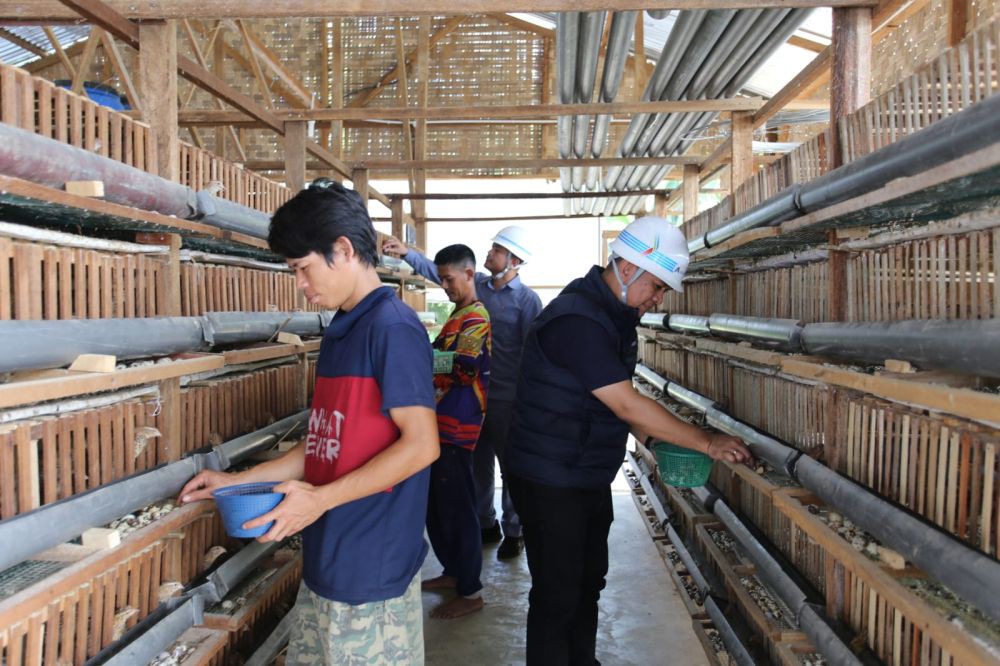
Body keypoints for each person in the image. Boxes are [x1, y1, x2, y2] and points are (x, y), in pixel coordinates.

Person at [178, 179, 439, 665]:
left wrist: (319, 500)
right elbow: (323, 445)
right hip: (328, 556)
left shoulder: (392, 329)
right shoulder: (343, 328)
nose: (300, 284)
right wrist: (236, 480)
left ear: (343, 250)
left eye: (303, 268)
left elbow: (422, 446)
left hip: (369, 571)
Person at [505, 216, 753, 666]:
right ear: (626, 267)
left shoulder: (612, 318)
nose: (657, 299)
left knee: (587, 582)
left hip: (584, 471)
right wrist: (705, 441)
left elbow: (604, 401)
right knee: (558, 593)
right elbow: (624, 403)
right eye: (656, 286)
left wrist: (654, 443)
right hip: (549, 475)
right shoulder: (577, 320)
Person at [383, 226, 541, 560]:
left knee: (510, 467)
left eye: (497, 249)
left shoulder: (527, 301)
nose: (490, 253)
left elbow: (534, 353)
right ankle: (486, 523)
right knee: (477, 464)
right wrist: (407, 253)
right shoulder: (477, 285)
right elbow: (442, 271)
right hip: (470, 400)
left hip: (504, 398)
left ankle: (515, 530)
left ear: (514, 260)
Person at [422, 244, 492, 619]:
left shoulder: (475, 318)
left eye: (449, 278)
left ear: (469, 274)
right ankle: (453, 572)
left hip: (458, 425)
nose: (445, 286)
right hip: (441, 423)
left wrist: (424, 356)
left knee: (459, 507)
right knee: (439, 506)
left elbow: (464, 369)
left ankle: (470, 591)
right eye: (442, 279)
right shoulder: (457, 316)